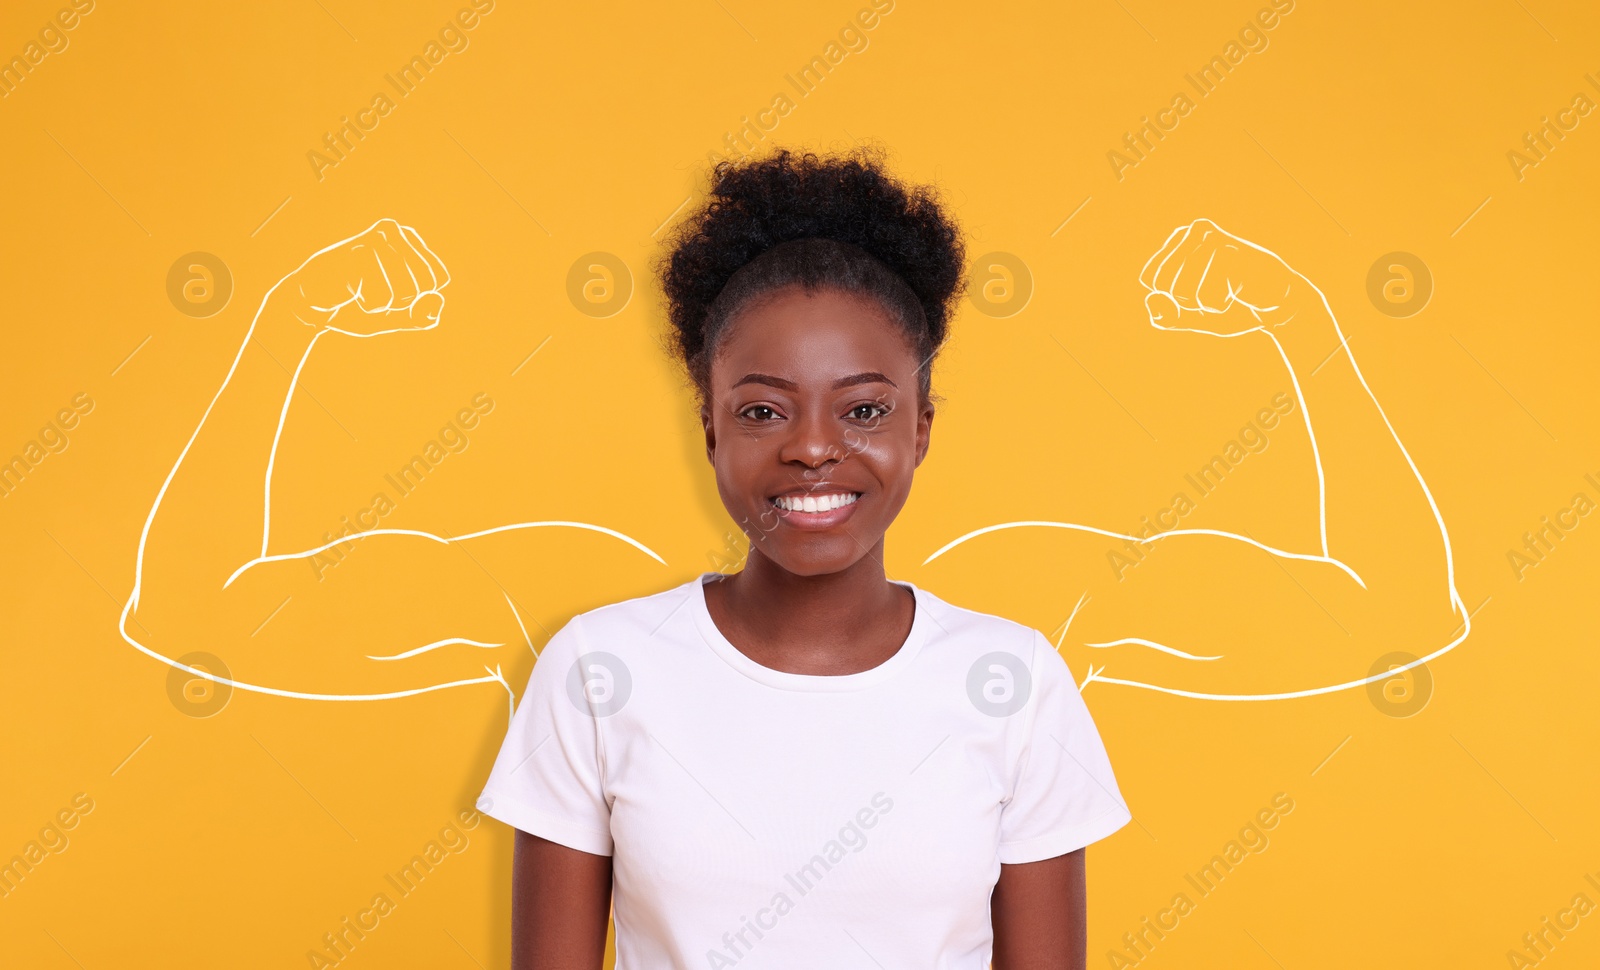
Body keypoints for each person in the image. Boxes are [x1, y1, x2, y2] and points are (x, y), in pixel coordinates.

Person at [475, 147, 1132, 969]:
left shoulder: (1014, 681)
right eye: (762, 410)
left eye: (863, 407)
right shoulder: (598, 669)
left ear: (920, 427)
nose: (815, 447)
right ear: (711, 427)